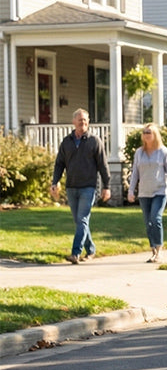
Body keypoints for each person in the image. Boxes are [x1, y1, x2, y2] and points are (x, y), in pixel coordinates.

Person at [50, 108, 111, 264]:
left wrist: (107, 186)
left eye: (85, 120)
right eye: (80, 120)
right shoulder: (67, 142)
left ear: (88, 122)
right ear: (74, 122)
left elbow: (103, 165)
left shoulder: (94, 141)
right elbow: (59, 164)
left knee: (82, 219)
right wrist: (55, 182)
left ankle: (75, 253)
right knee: (79, 221)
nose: (83, 123)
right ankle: (91, 249)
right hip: (71, 187)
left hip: (88, 187)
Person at [126, 123, 167, 263]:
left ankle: (159, 249)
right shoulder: (139, 152)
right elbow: (135, 173)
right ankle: (153, 250)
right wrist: (131, 190)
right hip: (144, 192)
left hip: (160, 191)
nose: (146, 134)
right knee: (148, 222)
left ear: (155, 135)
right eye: (144, 132)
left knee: (156, 218)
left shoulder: (163, 152)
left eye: (149, 132)